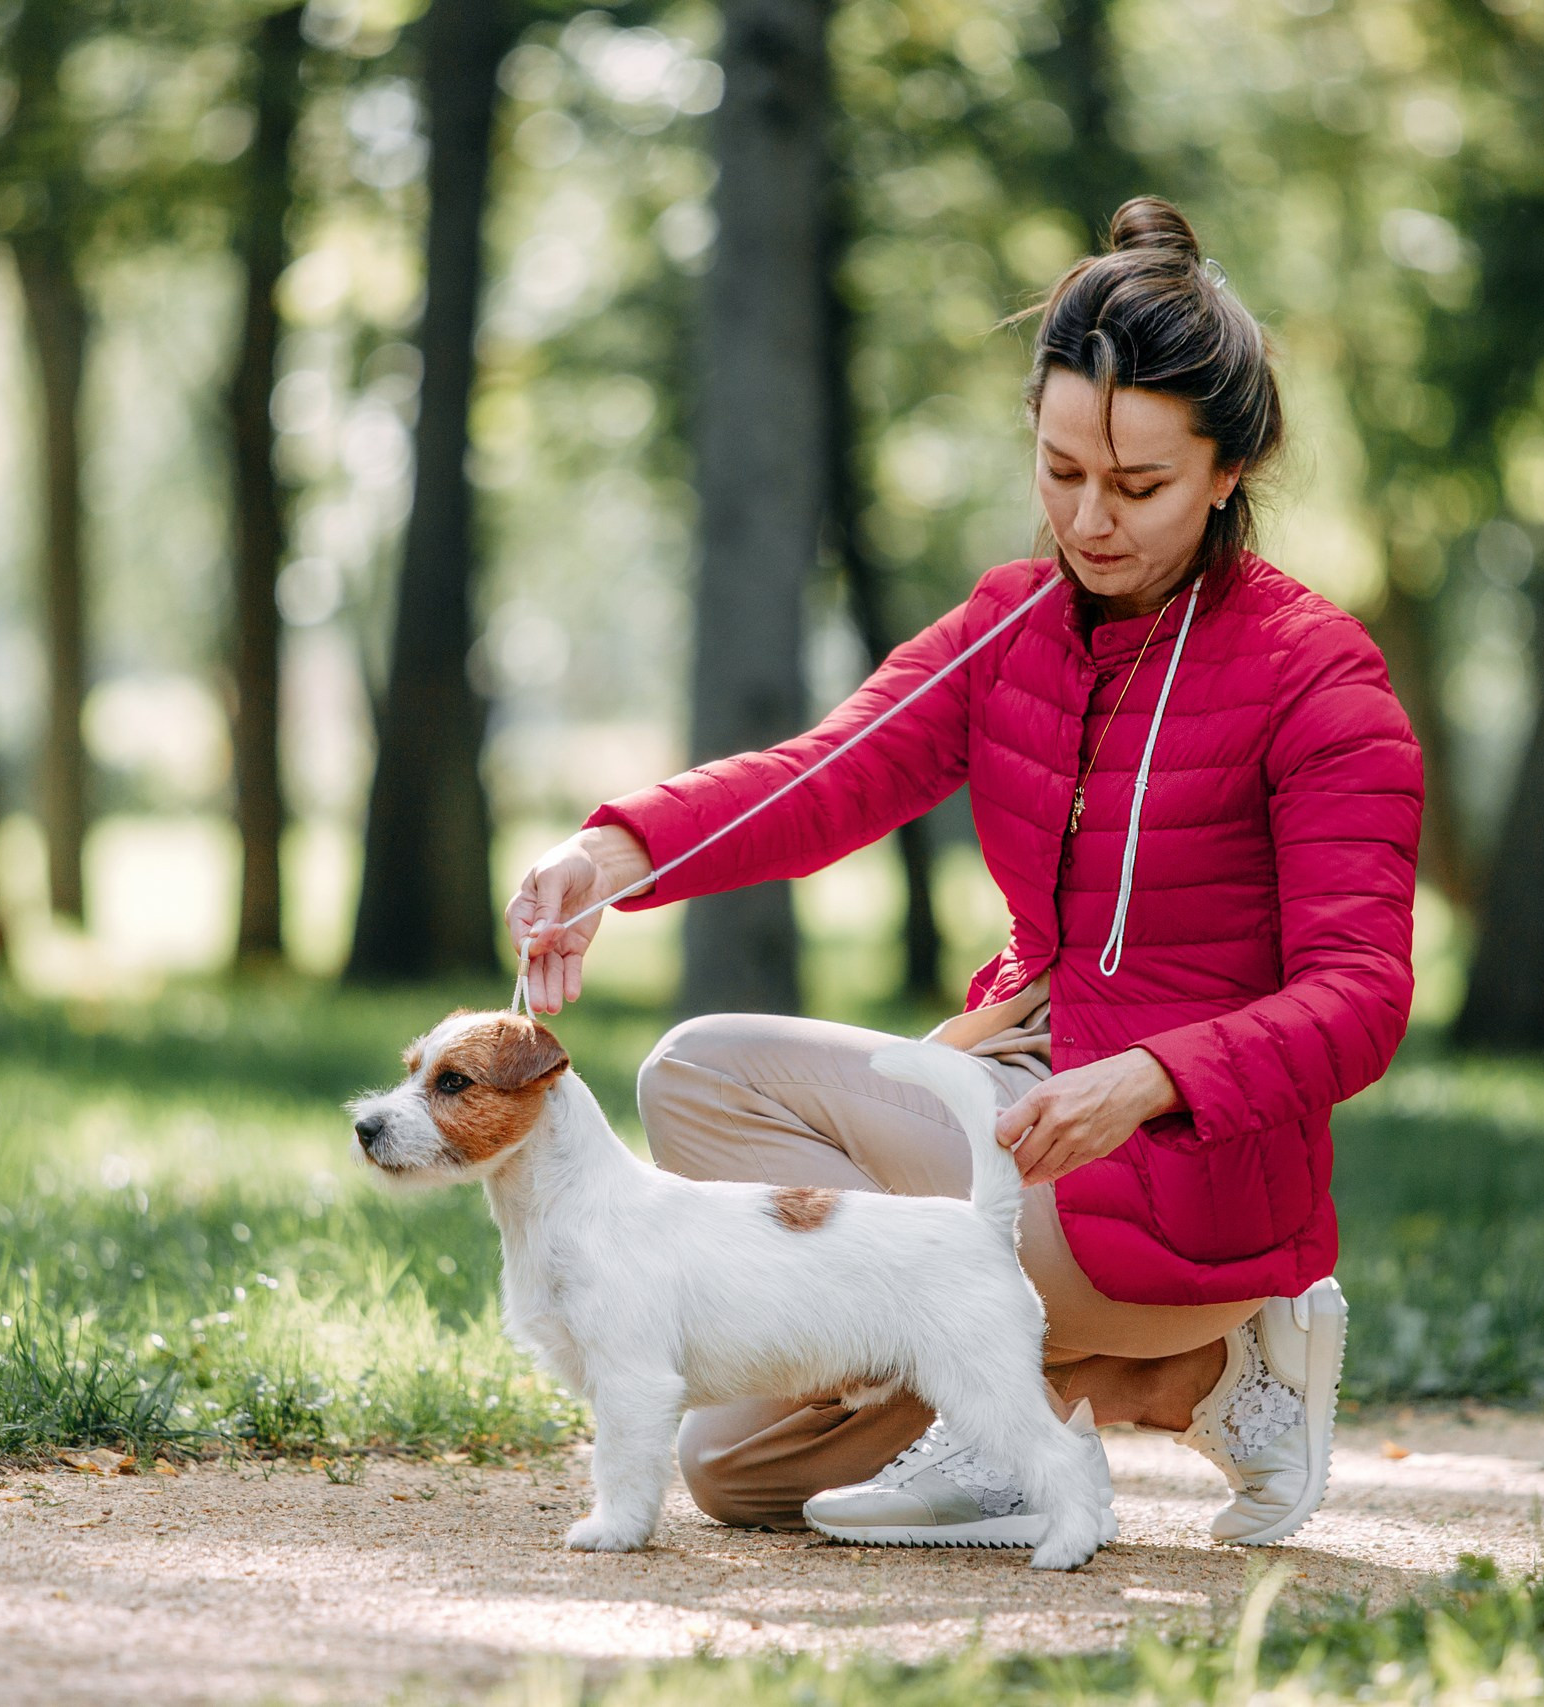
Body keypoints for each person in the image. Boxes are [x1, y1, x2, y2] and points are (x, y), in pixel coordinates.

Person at [508, 196, 1423, 1549]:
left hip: (1182, 1165)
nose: (1089, 519)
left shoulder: (1319, 675)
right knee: (731, 1467)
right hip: (1007, 1102)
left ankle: (1194, 1353)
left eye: (1139, 486)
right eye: (1061, 470)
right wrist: (612, 852)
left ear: (1229, 471)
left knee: (723, 1111)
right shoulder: (1010, 625)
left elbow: (1362, 997)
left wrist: (1153, 1078)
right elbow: (827, 776)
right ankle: (1138, 1386)